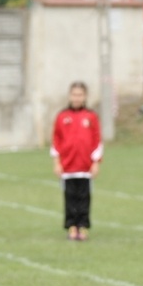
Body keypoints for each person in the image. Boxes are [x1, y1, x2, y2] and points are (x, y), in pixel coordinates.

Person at [50, 81, 103, 241]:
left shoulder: (91, 116)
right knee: (70, 197)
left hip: (85, 167)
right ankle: (71, 227)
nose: (77, 98)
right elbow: (56, 141)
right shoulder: (62, 116)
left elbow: (97, 141)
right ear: (69, 96)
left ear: (85, 96)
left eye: (80, 95)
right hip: (68, 166)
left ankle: (83, 227)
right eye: (74, 94)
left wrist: (95, 163)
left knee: (84, 198)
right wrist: (57, 163)